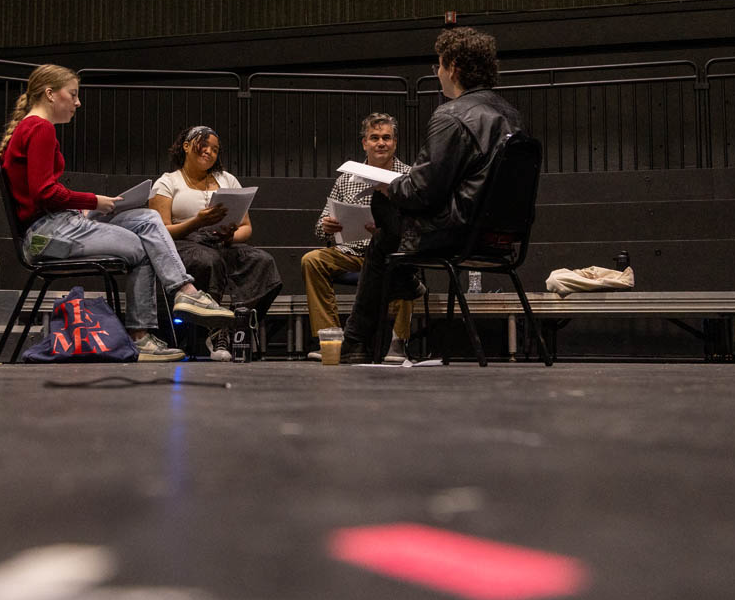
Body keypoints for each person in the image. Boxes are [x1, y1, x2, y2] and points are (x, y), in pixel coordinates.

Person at [0, 64, 233, 362]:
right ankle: (142, 335)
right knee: (142, 246)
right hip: (45, 237)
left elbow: (42, 194)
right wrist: (94, 201)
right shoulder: (40, 128)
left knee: (148, 219)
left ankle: (184, 290)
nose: (77, 102)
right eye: (72, 94)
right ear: (49, 94)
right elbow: (44, 193)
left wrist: (84, 209)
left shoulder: (32, 128)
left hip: (56, 225)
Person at [341, 27, 523, 363]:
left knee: (383, 227)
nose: (436, 72)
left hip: (457, 233)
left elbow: (420, 192)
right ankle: (397, 291)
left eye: (438, 65)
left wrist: (388, 185)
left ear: (452, 66)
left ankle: (356, 342)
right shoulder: (511, 116)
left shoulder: (451, 116)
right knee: (386, 240)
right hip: (499, 235)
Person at [148, 126, 282, 361]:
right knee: (208, 259)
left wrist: (229, 236)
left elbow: (246, 228)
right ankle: (217, 329)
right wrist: (196, 221)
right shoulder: (168, 182)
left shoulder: (227, 180)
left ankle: (237, 325)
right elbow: (161, 232)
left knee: (262, 261)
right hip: (183, 242)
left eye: (215, 149)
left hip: (222, 242)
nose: (209, 152)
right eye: (204, 146)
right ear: (186, 146)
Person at [301, 113, 415, 362]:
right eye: (374, 138)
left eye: (386, 137)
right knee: (312, 260)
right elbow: (320, 226)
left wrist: (387, 229)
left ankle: (398, 342)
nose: (381, 143)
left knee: (407, 262)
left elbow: (418, 222)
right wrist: (328, 226)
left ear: (395, 142)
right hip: (351, 253)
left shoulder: (409, 176)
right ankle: (332, 339)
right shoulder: (346, 178)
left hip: (389, 254)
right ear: (364, 143)